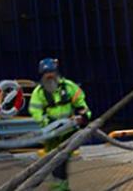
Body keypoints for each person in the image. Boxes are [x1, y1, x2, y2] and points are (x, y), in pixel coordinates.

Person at [29, 58, 91, 191]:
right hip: (51, 133)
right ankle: (59, 185)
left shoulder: (70, 87)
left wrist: (84, 117)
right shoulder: (39, 93)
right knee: (52, 160)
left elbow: (81, 105)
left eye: (51, 71)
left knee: (62, 159)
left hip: (69, 130)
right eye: (46, 72)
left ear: (56, 71)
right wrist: (47, 123)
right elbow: (35, 112)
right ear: (42, 75)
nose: (49, 75)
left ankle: (61, 186)